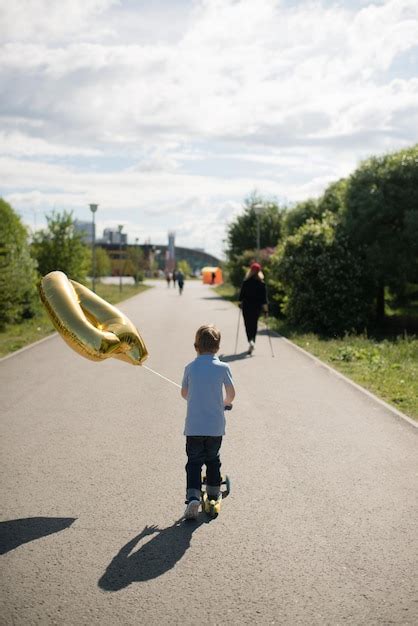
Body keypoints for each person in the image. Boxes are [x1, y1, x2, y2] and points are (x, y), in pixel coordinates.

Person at [181, 324, 235, 519]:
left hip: (194, 428)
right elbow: (231, 393)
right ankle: (213, 492)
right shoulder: (223, 367)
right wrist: (225, 403)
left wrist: (195, 398)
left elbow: (184, 393)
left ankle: (193, 496)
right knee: (213, 459)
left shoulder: (190, 367)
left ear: (196, 346)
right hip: (214, 428)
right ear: (218, 347)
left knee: (194, 462)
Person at [239, 262, 268, 355]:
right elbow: (264, 300)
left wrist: (240, 303)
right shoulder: (261, 283)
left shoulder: (245, 282)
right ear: (259, 272)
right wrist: (266, 311)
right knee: (254, 325)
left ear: (250, 271)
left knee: (248, 325)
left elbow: (240, 297)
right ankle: (253, 341)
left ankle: (250, 341)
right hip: (257, 308)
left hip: (247, 307)